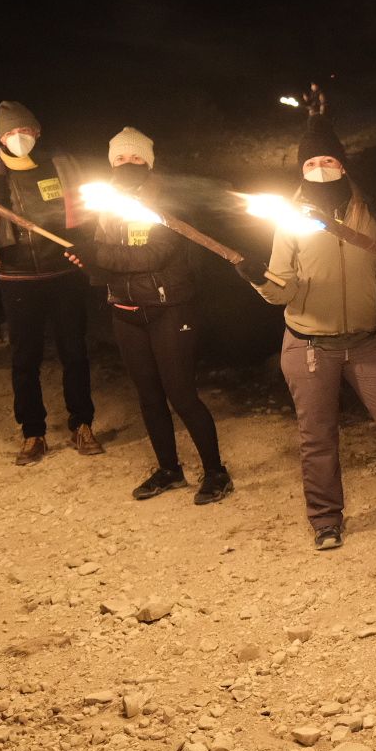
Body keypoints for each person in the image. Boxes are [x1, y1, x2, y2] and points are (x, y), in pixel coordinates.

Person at [237, 114, 376, 549]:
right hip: (309, 343)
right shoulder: (291, 218)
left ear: (343, 163)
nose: (320, 169)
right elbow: (284, 290)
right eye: (311, 163)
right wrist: (260, 280)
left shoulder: (372, 213)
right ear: (301, 170)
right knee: (318, 435)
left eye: (327, 160)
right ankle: (325, 520)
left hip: (366, 341)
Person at [66, 128, 231, 503]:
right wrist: (87, 263)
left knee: (182, 395)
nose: (128, 165)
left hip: (169, 308)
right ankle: (170, 470)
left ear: (149, 162)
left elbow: (153, 255)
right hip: (125, 310)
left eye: (136, 158)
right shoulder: (106, 203)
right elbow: (106, 260)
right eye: (121, 159)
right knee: (149, 397)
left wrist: (96, 254)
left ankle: (216, 472)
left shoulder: (165, 199)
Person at [0, 101, 99, 465]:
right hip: (17, 278)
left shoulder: (61, 166)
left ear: (36, 132)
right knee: (24, 359)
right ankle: (33, 432)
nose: (18, 138)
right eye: (10, 133)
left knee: (74, 353)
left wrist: (85, 242)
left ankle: (82, 424)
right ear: (0, 137)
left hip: (63, 273)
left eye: (24, 131)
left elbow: (89, 212)